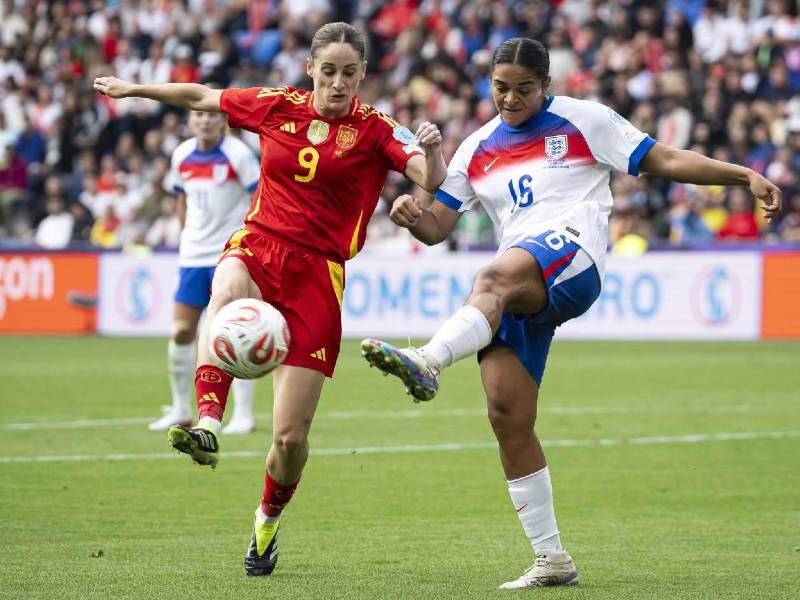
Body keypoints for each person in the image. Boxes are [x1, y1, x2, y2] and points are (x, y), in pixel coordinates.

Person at [360, 37, 781, 590]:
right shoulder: (476, 147)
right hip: (521, 283)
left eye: (524, 89)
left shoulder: (585, 121)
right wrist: (411, 215)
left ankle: (428, 361)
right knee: (507, 416)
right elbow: (437, 227)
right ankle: (551, 558)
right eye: (501, 88)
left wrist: (743, 175)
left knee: (489, 279)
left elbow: (665, 159)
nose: (511, 99)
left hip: (573, 256)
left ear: (547, 85)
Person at [94, 21, 446, 577]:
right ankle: (208, 424)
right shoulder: (277, 105)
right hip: (260, 243)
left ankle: (266, 522)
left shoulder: (378, 129)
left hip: (318, 275)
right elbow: (201, 96)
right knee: (226, 288)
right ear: (310, 69)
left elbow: (430, 176)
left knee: (289, 438)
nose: (337, 84)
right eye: (327, 72)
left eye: (348, 73)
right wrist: (134, 89)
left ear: (362, 74)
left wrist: (432, 154)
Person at [147, 107, 262, 435]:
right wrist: (187, 234)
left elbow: (259, 197)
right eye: (199, 115)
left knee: (234, 332)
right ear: (190, 120)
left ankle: (243, 414)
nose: (205, 120)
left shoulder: (238, 154)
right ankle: (181, 410)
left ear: (224, 120)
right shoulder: (182, 154)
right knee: (182, 331)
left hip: (230, 256)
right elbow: (181, 198)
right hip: (192, 257)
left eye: (212, 115)